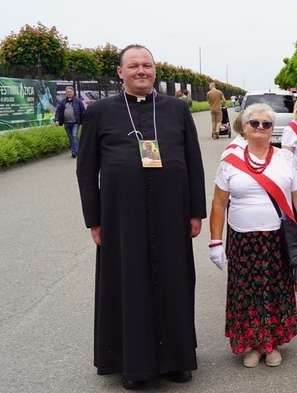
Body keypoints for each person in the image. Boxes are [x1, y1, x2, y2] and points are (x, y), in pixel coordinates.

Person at [76, 44, 206, 389]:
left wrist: (196, 212)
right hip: (121, 218)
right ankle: (132, 363)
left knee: (175, 282)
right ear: (120, 72)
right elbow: (86, 170)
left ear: (154, 70)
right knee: (129, 285)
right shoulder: (100, 112)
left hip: (171, 215)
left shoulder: (176, 109)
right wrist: (94, 219)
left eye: (147, 65)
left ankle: (178, 359)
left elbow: (194, 162)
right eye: (133, 66)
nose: (141, 71)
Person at [209, 103, 297, 368]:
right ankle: (252, 345)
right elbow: (219, 203)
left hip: (275, 240)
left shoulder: (285, 159)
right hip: (243, 240)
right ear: (244, 128)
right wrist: (215, 241)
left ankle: (271, 344)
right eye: (254, 123)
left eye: (266, 124)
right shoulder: (230, 161)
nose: (259, 128)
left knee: (274, 291)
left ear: (272, 130)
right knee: (246, 293)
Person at [54, 86, 86, 158]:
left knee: (74, 135)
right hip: (67, 122)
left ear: (73, 92)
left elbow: (83, 111)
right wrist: (56, 120)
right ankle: (76, 149)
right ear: (66, 93)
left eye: (70, 92)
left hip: (75, 122)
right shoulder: (63, 102)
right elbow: (58, 111)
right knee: (71, 137)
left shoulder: (78, 101)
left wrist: (83, 120)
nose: (69, 93)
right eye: (67, 92)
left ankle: (74, 152)